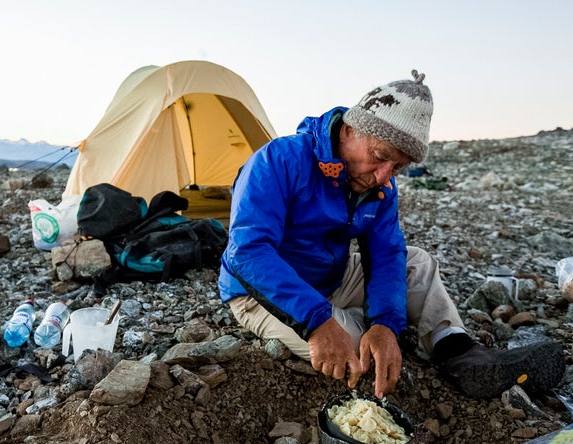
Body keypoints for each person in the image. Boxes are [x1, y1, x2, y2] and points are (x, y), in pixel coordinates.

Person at [218, 70, 565, 400]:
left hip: (330, 279)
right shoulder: (278, 160)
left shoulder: (379, 187)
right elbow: (247, 253)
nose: (383, 176)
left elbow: (385, 255)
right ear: (350, 130)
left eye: (397, 167)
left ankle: (457, 351)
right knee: (354, 351)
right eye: (380, 156)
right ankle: (357, 328)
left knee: (418, 263)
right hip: (257, 293)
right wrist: (318, 322)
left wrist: (384, 324)